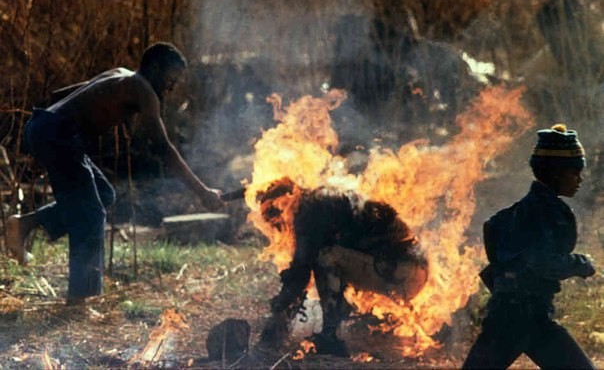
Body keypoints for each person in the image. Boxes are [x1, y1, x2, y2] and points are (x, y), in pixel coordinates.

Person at [5, 42, 224, 305]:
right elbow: (164, 148)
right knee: (91, 214)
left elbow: (59, 94)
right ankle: (78, 302)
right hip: (59, 136)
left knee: (103, 195)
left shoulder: (118, 74)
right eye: (171, 79)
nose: (172, 87)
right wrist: (203, 192)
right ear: (155, 68)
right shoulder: (143, 89)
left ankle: (24, 223)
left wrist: (44, 135)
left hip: (47, 127)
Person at [462, 124, 597, 369]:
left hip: (526, 317)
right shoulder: (543, 212)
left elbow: (492, 232)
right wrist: (582, 264)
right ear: (556, 174)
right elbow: (544, 262)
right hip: (516, 318)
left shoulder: (525, 209)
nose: (579, 179)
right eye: (574, 172)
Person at [256, 177, 428, 357]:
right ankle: (372, 324)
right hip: (406, 271)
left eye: (273, 216)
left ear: (284, 203)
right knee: (335, 258)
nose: (276, 225)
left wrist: (279, 310)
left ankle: (331, 337)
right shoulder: (324, 202)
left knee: (326, 257)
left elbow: (301, 273)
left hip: (403, 273)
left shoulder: (309, 212)